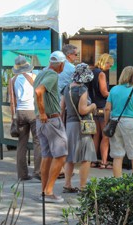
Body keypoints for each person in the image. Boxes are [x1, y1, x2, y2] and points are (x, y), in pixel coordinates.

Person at [34, 51, 68, 203]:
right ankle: (48, 191)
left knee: (47, 155)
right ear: (61, 64)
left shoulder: (41, 73)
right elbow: (39, 91)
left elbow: (38, 91)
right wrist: (43, 113)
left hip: (42, 122)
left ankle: (44, 191)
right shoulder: (53, 75)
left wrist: (41, 114)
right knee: (60, 155)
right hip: (51, 119)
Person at [104, 66, 133, 177]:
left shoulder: (113, 90)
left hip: (115, 122)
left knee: (117, 155)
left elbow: (107, 109)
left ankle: (117, 183)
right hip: (130, 123)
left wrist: (106, 123)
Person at [61, 63, 97, 192]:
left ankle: (67, 184)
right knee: (86, 157)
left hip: (70, 125)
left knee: (70, 157)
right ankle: (83, 186)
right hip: (82, 126)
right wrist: (92, 106)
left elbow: (61, 109)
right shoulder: (82, 89)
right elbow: (82, 110)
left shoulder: (67, 88)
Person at [9, 55, 41, 181]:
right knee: (37, 141)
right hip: (33, 111)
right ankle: (38, 171)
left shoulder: (12, 79)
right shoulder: (33, 77)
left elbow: (12, 100)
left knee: (21, 143)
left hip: (20, 112)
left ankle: (22, 174)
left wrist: (13, 116)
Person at [88, 53, 114, 169]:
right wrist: (114, 94)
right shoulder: (101, 74)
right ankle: (104, 161)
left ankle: (92, 161)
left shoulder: (92, 72)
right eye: (110, 64)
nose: (111, 66)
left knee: (96, 135)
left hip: (93, 107)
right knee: (105, 135)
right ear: (105, 62)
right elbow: (104, 92)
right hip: (102, 107)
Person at [58, 44, 77, 179]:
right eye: (76, 54)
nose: (76, 57)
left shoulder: (53, 67)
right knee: (64, 139)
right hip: (65, 107)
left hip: (53, 105)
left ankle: (59, 167)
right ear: (69, 55)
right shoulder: (72, 69)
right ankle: (62, 168)